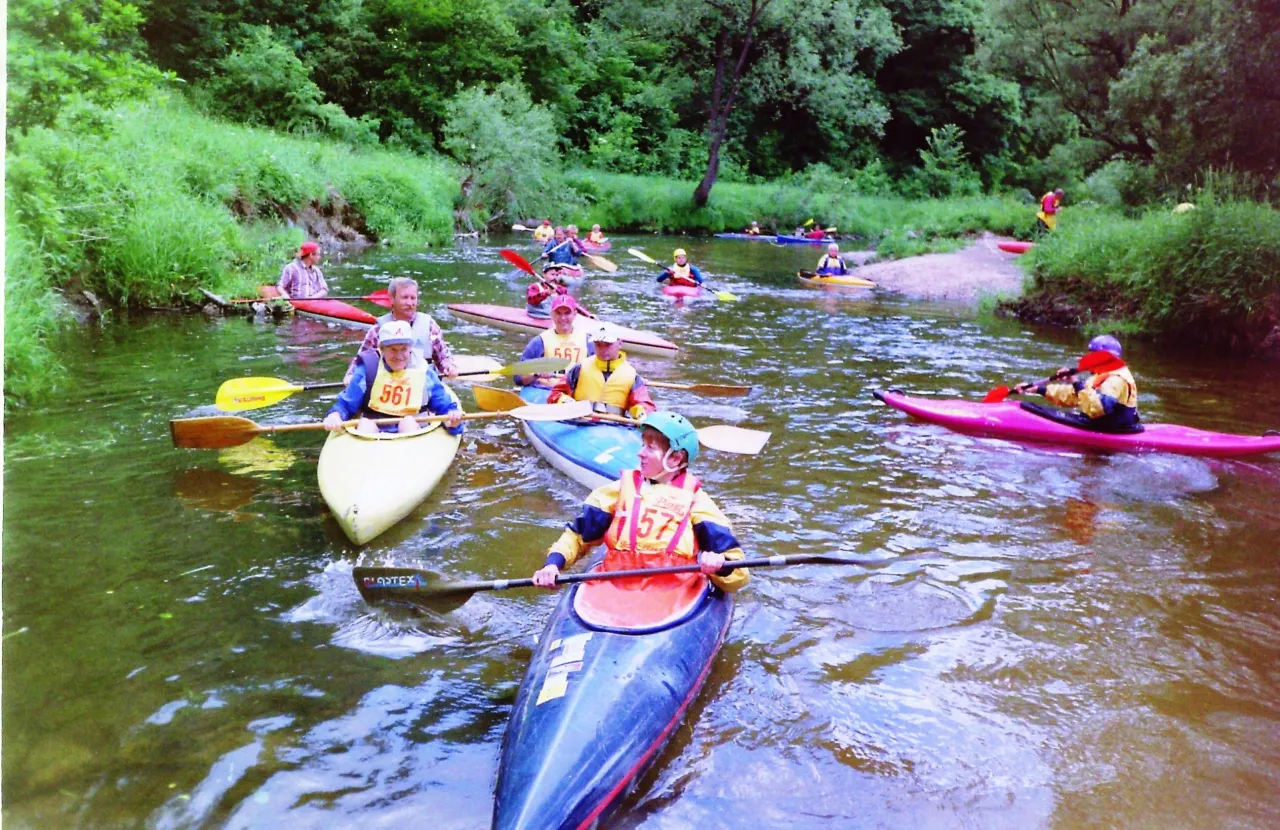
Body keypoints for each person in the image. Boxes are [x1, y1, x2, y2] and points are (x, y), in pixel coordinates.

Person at [531, 411, 749, 594]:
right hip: (614, 589)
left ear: (675, 459)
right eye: (642, 444)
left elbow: (739, 573)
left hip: (671, 594)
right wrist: (552, 565)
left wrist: (719, 566)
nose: (639, 453)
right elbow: (578, 537)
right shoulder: (615, 492)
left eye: (650, 448)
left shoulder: (698, 504)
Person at [324, 321, 464, 436]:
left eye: (403, 349)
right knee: (365, 424)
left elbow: (444, 407)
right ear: (381, 349)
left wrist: (452, 420)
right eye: (392, 349)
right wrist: (335, 416)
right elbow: (345, 405)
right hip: (373, 430)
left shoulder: (424, 372)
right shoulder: (367, 371)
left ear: (410, 348)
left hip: (413, 429)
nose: (399, 356)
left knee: (407, 422)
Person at [1014, 334, 1141, 433]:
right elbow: (1076, 396)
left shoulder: (1116, 379)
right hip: (1097, 424)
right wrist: (1038, 389)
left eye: (1093, 356)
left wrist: (1076, 382)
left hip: (1109, 428)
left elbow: (1097, 408)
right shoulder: (1101, 374)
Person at [345, 277, 457, 383]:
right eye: (405, 298)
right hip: (390, 389)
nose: (410, 303)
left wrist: (449, 367)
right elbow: (361, 360)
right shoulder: (379, 328)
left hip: (425, 387)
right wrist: (351, 376)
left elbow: (443, 357)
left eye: (413, 298)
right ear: (392, 299)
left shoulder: (429, 325)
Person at [547, 322, 657, 419]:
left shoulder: (631, 376)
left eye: (608, 345)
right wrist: (568, 403)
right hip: (582, 422)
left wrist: (642, 413)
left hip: (615, 426)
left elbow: (644, 404)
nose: (603, 350)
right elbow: (555, 394)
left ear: (620, 343)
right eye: (598, 345)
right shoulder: (580, 368)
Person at [516, 294, 595, 387]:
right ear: (552, 315)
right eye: (558, 313)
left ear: (575, 314)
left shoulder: (588, 341)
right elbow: (518, 378)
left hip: (576, 389)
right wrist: (535, 374)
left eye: (567, 313)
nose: (563, 318)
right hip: (545, 390)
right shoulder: (539, 342)